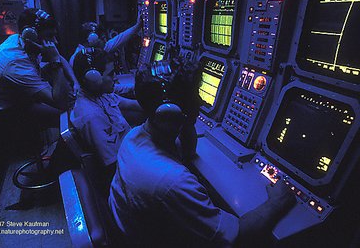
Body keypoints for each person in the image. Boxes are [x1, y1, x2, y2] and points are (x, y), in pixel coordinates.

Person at [108, 64, 297, 247]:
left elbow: (187, 152)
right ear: (169, 113)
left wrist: (185, 121)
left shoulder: (134, 136)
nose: (200, 102)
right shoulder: (174, 181)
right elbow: (239, 235)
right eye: (194, 97)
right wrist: (277, 202)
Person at [0, 8, 77, 155]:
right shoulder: (14, 63)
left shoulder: (19, 40)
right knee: (67, 116)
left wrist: (75, 83)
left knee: (66, 102)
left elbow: (59, 57)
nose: (54, 42)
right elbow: (61, 101)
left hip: (7, 97)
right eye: (49, 37)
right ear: (30, 34)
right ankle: (57, 164)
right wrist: (54, 61)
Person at [71, 69, 142, 187]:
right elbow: (114, 165)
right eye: (110, 74)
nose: (115, 78)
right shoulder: (92, 117)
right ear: (94, 79)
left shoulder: (100, 95)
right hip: (128, 172)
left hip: (129, 150)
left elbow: (132, 105)